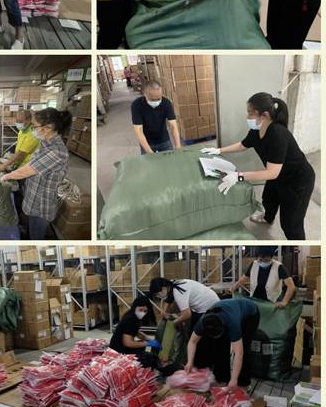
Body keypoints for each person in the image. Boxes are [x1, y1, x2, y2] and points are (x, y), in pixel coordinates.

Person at [201, 92, 315, 240]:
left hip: (297, 181)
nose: (247, 117)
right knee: (268, 199)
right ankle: (267, 218)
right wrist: (218, 150)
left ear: (264, 115)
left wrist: (238, 176)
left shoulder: (277, 134)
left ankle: (296, 246)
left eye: (250, 113)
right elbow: (243, 145)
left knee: (290, 224)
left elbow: (271, 173)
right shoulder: (256, 130)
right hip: (278, 176)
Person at [0, 108, 71, 239]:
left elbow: (28, 170)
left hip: (41, 206)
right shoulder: (45, 144)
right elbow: (31, 163)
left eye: (34, 126)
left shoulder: (57, 152)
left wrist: (6, 176)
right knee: (30, 227)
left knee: (36, 235)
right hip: (34, 199)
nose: (33, 130)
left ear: (47, 128)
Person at [186, 298, 260, 388]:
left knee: (243, 347)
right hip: (230, 310)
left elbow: (239, 354)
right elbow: (192, 342)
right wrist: (190, 362)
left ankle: (244, 383)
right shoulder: (202, 322)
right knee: (220, 347)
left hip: (250, 314)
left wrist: (234, 379)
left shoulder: (233, 324)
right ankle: (222, 379)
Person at [150, 277, 219, 368]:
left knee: (198, 341)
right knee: (192, 337)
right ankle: (195, 363)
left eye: (158, 294)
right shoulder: (172, 284)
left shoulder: (178, 292)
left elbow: (187, 315)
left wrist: (174, 322)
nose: (159, 296)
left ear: (163, 288)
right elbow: (168, 299)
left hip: (209, 308)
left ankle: (202, 366)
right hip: (203, 306)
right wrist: (164, 312)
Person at [230, 247, 296, 307]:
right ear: (257, 258)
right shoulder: (253, 264)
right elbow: (244, 279)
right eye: (260, 260)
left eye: (266, 260)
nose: (263, 262)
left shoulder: (279, 267)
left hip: (273, 300)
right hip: (255, 299)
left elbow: (291, 286)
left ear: (271, 257)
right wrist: (234, 287)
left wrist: (284, 302)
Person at [132, 80, 182, 154]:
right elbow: (138, 130)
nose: (156, 102)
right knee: (149, 161)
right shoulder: (137, 105)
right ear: (145, 94)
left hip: (164, 140)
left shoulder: (166, 103)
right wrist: (149, 151)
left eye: (159, 99)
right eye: (152, 99)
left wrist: (178, 146)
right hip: (147, 143)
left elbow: (173, 125)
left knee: (171, 159)